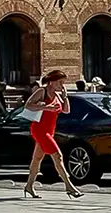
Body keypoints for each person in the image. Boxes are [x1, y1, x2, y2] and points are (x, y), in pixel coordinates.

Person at [23, 68, 84, 200]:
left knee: (37, 159)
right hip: (40, 129)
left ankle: (29, 186)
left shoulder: (57, 95)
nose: (61, 85)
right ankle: (69, 186)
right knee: (58, 156)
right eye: (60, 82)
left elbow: (66, 110)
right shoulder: (42, 91)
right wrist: (45, 107)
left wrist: (65, 96)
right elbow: (28, 105)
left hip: (50, 130)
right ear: (51, 81)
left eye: (63, 83)